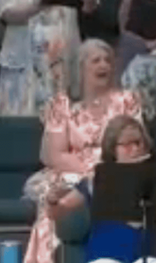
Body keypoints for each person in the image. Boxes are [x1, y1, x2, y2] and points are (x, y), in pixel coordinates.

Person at [22, 39, 142, 263]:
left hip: (118, 171)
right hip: (72, 172)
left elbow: (137, 144)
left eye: (107, 60)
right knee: (55, 201)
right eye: (96, 61)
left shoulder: (127, 100)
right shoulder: (62, 104)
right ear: (80, 68)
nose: (103, 65)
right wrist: (91, 171)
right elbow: (53, 154)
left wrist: (107, 171)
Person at [45, 115, 153, 263]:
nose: (135, 149)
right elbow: (59, 210)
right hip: (105, 257)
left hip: (145, 257)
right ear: (113, 150)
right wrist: (52, 200)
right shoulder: (98, 180)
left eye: (138, 143)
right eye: (127, 145)